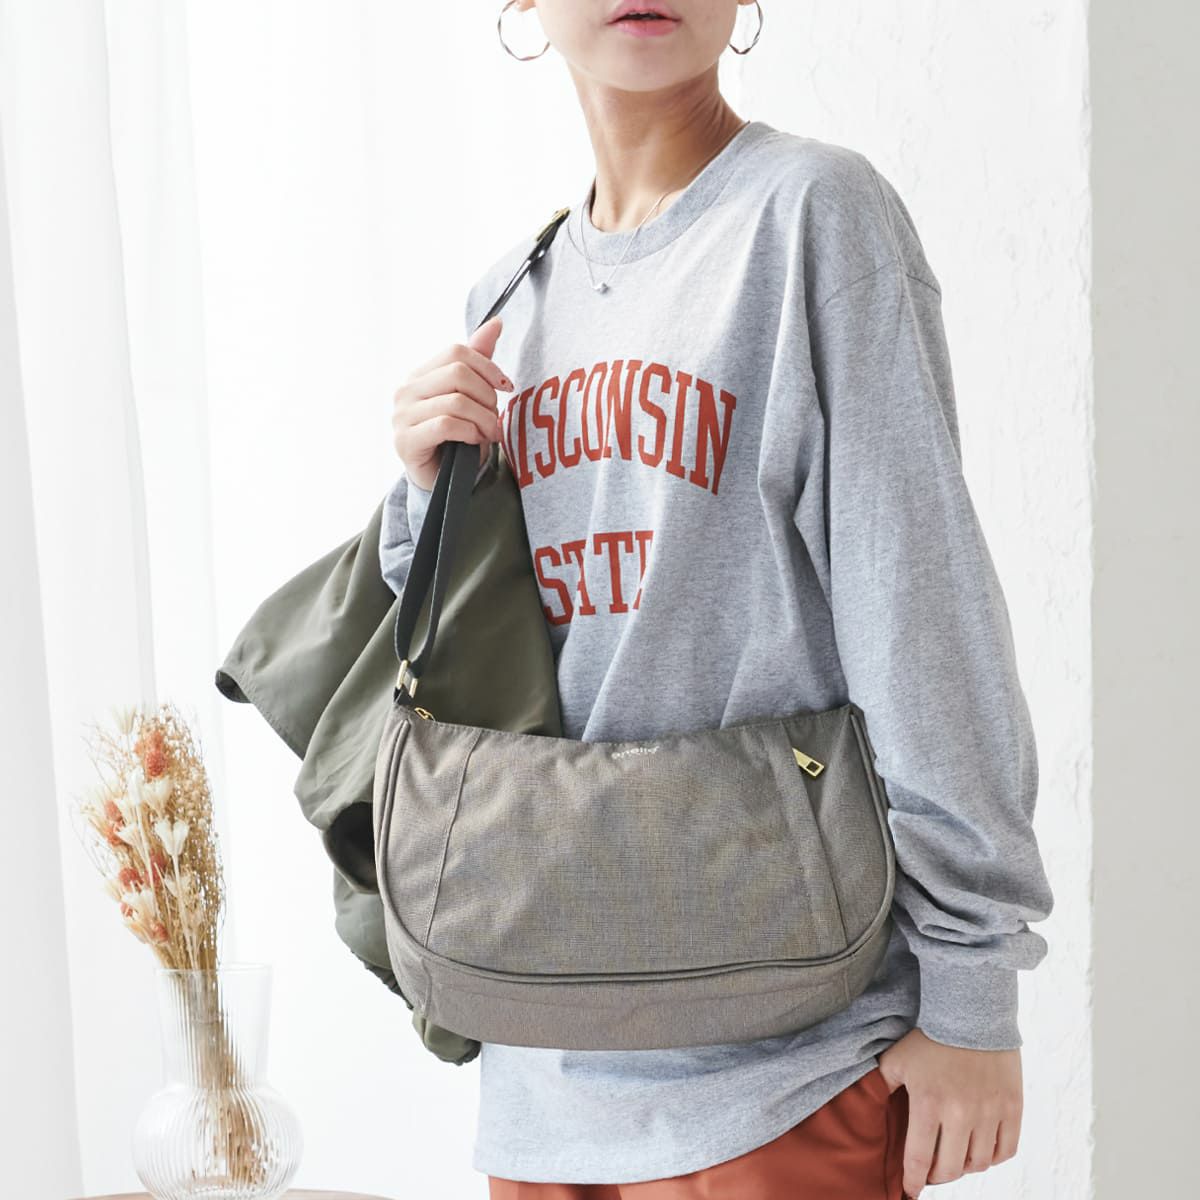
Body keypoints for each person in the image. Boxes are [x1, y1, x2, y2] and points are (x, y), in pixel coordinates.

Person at [378, 2, 1055, 1196]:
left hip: (784, 1066)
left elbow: (921, 606)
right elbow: (472, 667)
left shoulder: (813, 217)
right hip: (541, 1073)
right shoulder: (511, 295)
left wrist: (973, 989)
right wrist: (424, 486)